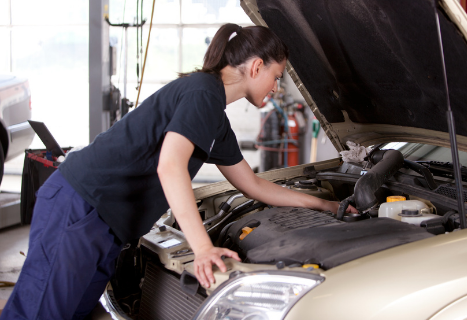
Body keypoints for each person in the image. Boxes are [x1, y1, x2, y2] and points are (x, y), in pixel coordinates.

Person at [0, 23, 357, 320]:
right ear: (255, 67)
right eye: (276, 77)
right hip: (80, 209)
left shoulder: (215, 117)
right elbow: (170, 165)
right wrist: (203, 248)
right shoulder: (203, 94)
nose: (276, 89)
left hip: (106, 226)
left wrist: (325, 206)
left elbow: (253, 184)